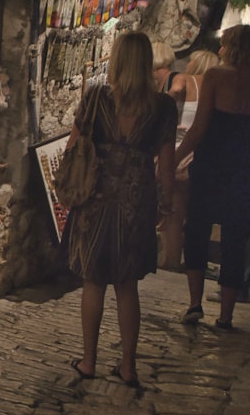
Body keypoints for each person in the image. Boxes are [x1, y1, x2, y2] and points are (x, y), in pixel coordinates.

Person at [65, 32, 177, 387]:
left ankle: (89, 360)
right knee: (127, 286)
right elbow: (167, 165)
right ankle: (128, 367)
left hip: (95, 199)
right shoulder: (162, 109)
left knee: (93, 281)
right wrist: (166, 203)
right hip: (136, 201)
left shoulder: (97, 99)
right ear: (146, 64)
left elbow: (73, 146)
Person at [176, 24, 250, 329]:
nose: (219, 49)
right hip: (244, 171)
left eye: (224, 44)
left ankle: (195, 304)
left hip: (210, 166)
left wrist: (174, 160)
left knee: (196, 231)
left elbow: (199, 128)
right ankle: (226, 316)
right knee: (236, 239)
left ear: (232, 47)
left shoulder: (217, 77)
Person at [158, 50, 221, 270]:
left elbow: (175, 91)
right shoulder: (217, 87)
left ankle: (171, 258)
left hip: (179, 148)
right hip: (202, 153)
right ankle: (193, 259)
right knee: (194, 210)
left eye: (192, 60)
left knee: (173, 208)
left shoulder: (186, 79)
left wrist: (160, 106)